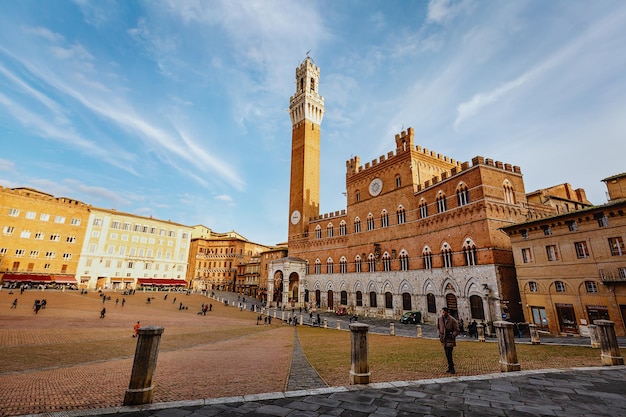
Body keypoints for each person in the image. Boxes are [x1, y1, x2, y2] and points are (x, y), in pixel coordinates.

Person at [437, 307, 459, 374]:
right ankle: (450, 367)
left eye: (444, 312)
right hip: (443, 339)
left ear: (447, 312)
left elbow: (456, 330)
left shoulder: (452, 320)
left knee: (449, 353)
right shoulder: (440, 319)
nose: (443, 313)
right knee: (447, 354)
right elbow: (438, 328)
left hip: (450, 340)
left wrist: (452, 335)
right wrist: (439, 335)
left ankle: (452, 368)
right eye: (442, 312)